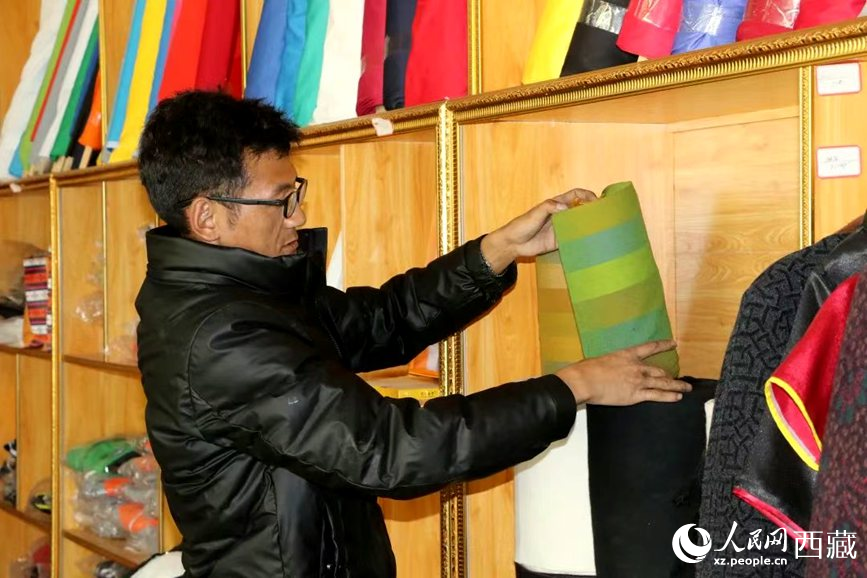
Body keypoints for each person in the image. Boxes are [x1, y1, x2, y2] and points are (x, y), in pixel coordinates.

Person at [135, 90, 690, 578]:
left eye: (295, 193)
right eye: (282, 201)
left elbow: (380, 321)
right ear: (207, 218)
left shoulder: (247, 294)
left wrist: (495, 253)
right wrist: (573, 387)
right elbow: (391, 449)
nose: (297, 216)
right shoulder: (220, 336)